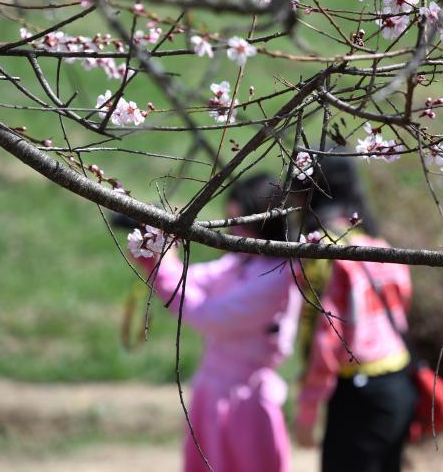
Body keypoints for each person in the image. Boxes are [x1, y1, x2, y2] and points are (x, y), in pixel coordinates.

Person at [128, 174, 302, 472]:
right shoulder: (243, 261)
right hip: (211, 393)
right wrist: (160, 250)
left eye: (241, 223)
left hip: (247, 401)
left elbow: (208, 316)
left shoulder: (278, 277)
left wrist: (162, 266)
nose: (233, 231)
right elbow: (194, 279)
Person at [294, 153, 416, 472]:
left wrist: (307, 411)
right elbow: (403, 308)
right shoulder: (380, 246)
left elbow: (325, 341)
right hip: (399, 383)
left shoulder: (321, 254)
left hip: (358, 393)